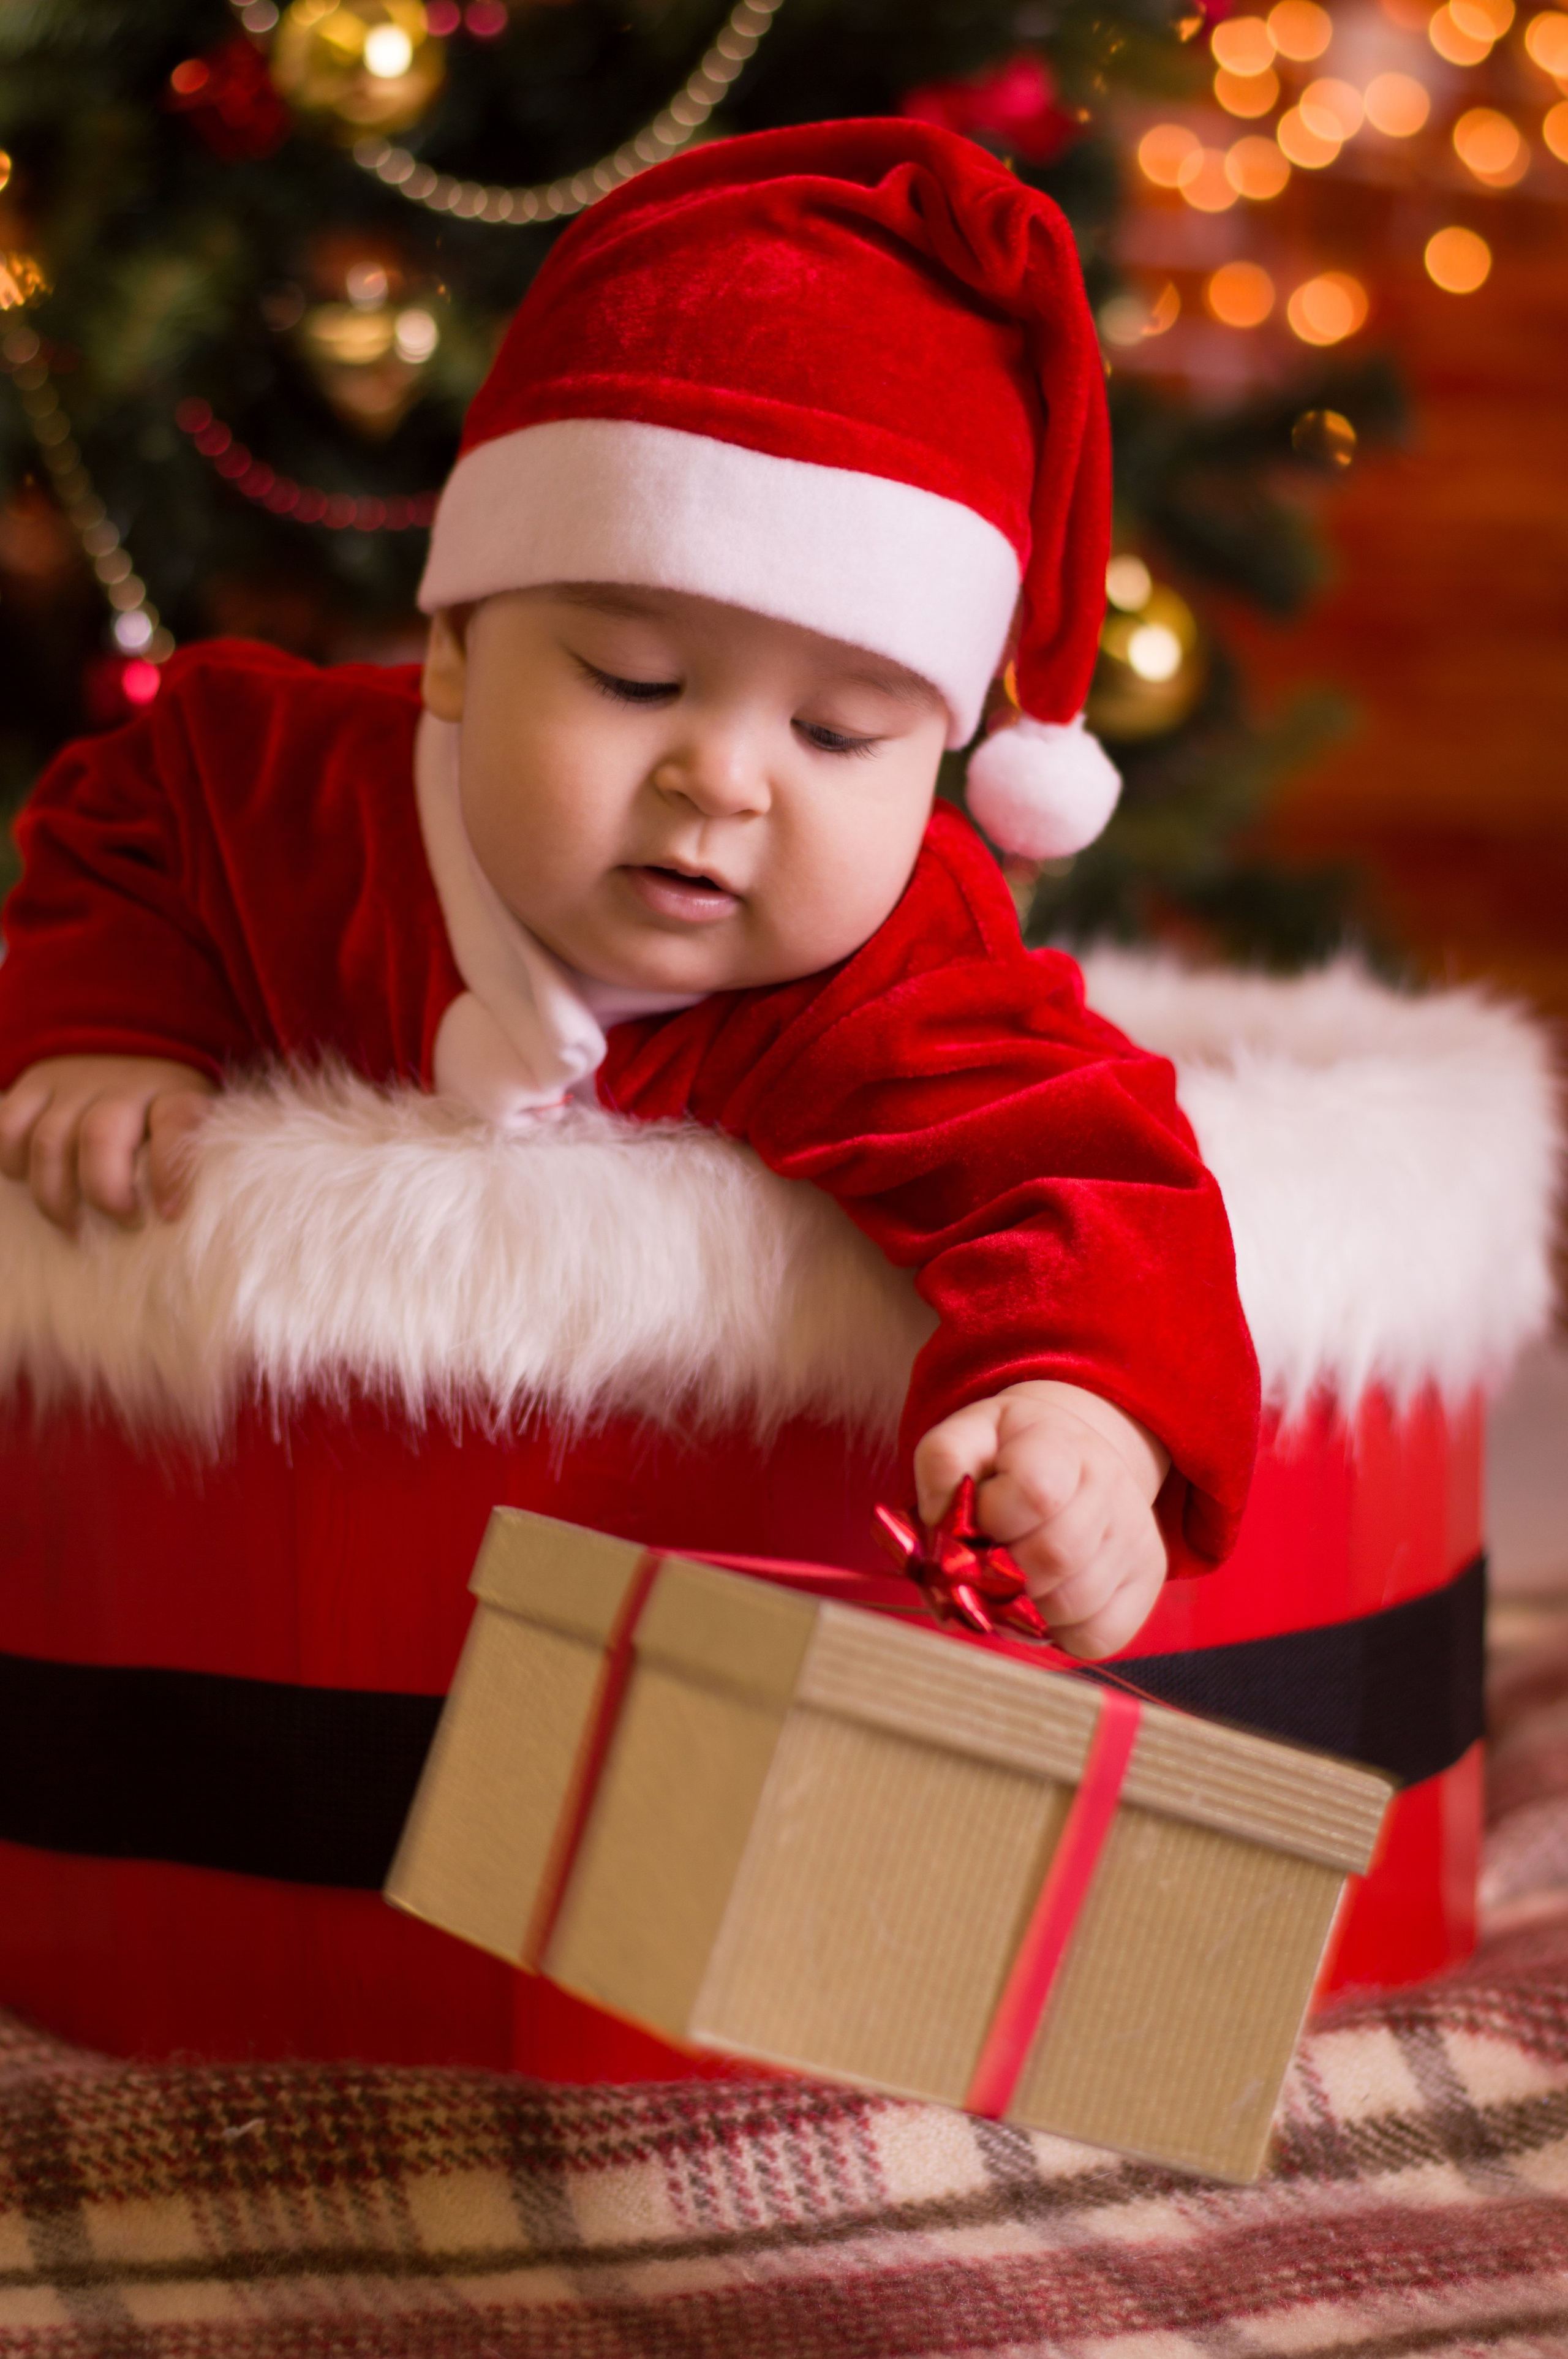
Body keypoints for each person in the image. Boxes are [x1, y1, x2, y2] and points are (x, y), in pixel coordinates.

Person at [0, 118, 1259, 1659]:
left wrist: (1083, 1417)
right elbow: (129, 815)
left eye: (836, 733)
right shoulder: (293, 785)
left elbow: (1095, 1186)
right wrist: (115, 1026)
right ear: (455, 645)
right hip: (245, 1564)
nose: (723, 781)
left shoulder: (874, 975)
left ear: (935, 755)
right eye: (633, 677)